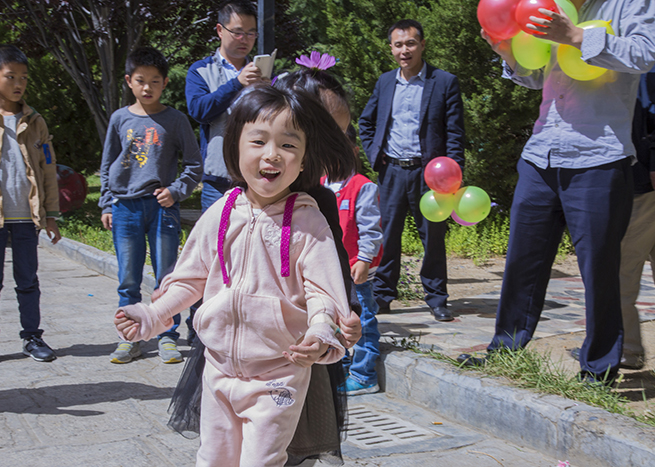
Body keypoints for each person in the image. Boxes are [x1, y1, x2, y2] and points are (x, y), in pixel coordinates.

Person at [114, 85, 354, 467]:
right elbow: (190, 278)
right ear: (235, 148)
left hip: (278, 376)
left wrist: (321, 331)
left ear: (304, 160)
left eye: (288, 145)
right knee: (213, 459)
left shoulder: (310, 223)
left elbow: (321, 291)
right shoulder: (222, 212)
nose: (272, 154)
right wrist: (152, 314)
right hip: (218, 369)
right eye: (258, 141)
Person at [459, 0, 655, 384]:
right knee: (522, 262)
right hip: (541, 153)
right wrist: (508, 53)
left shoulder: (629, 3)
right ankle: (505, 353)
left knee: (599, 270)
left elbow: (643, 54)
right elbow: (537, 77)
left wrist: (576, 36)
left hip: (600, 156)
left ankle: (598, 372)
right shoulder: (547, 5)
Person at [99, 47, 203, 364]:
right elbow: (107, 164)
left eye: (155, 81)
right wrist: (106, 203)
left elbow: (194, 164)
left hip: (162, 209)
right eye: (141, 80)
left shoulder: (175, 120)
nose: (147, 88)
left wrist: (176, 191)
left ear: (165, 83)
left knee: (167, 278)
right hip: (124, 208)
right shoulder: (119, 119)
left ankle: (167, 336)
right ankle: (129, 338)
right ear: (129, 81)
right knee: (128, 279)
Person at [359, 19, 465, 321]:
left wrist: (454, 174)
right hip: (391, 171)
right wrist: (375, 155)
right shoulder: (385, 82)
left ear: (422, 45)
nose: (404, 50)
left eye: (410, 43)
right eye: (398, 45)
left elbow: (455, 133)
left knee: (432, 237)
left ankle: (437, 298)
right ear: (391, 48)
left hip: (430, 175)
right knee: (387, 236)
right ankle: (383, 295)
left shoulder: (444, 82)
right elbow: (366, 122)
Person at [0, 44, 61, 366]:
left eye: (24, 77)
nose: (18, 83)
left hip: (26, 215)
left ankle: (32, 337)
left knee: (28, 280)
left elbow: (48, 169)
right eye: (11, 76)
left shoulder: (35, 121)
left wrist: (51, 215)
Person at [184, 0, 264, 343]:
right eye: (238, 32)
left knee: (252, 255)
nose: (244, 39)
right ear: (220, 30)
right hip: (218, 182)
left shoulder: (262, 71)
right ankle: (199, 326)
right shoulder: (200, 71)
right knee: (210, 255)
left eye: (251, 33)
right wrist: (236, 84)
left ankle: (241, 325)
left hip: (258, 182)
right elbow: (199, 109)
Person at [619, 0, 655, 371]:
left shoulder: (651, 9)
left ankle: (626, 350)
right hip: (654, 170)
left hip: (651, 177)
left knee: (617, 266)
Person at [324, 124, 384, 395]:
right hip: (330, 268)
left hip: (356, 269)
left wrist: (364, 258)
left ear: (353, 151)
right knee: (337, 319)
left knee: (363, 320)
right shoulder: (320, 185)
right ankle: (342, 366)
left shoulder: (363, 186)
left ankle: (364, 375)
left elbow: (370, 229)